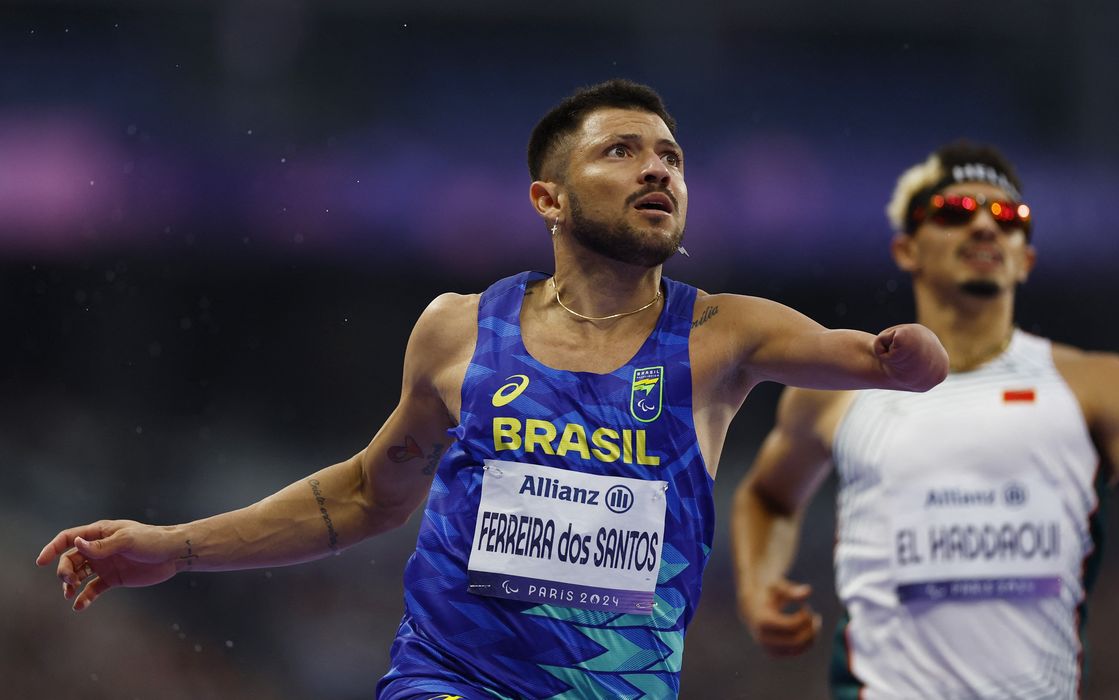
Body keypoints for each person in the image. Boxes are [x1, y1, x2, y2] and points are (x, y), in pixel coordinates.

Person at [36, 79, 948, 700]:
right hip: (451, 678)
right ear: (549, 200)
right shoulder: (461, 330)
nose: (658, 169)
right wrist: (175, 547)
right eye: (623, 152)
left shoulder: (723, 335)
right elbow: (364, 494)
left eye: (670, 156)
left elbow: (878, 360)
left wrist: (908, 358)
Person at [732, 140, 1119, 699]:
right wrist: (757, 585)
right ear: (907, 249)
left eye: (1009, 218)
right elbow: (769, 497)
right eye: (956, 213)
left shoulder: (1103, 387)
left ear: (1025, 258)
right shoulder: (836, 392)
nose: (986, 227)